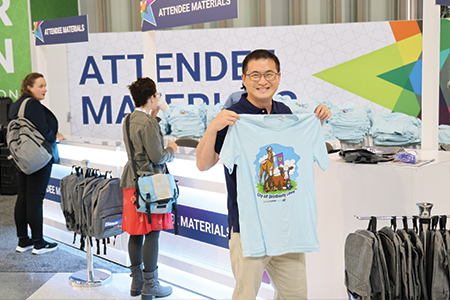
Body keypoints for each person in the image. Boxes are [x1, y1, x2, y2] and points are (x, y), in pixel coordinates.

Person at [196, 49, 331, 299]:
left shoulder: (286, 113)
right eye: (255, 75)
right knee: (246, 295)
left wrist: (316, 122)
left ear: (279, 77)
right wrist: (214, 127)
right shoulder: (234, 118)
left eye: (269, 74)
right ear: (244, 79)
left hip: (287, 227)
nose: (263, 81)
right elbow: (204, 164)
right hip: (248, 228)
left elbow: (299, 150)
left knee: (296, 295)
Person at [120, 77, 178, 300]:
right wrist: (171, 148)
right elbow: (157, 157)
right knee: (153, 233)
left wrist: (155, 121)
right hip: (150, 186)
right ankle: (151, 286)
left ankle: (137, 283)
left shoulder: (129, 119)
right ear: (152, 97)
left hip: (131, 183)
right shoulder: (148, 123)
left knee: (135, 233)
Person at [8, 72, 65, 255]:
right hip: (37, 158)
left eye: (45, 85)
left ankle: (23, 241)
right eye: (40, 86)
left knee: (23, 197)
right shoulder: (32, 104)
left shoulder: (16, 105)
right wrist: (54, 137)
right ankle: (39, 243)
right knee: (35, 199)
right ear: (29, 87)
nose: (45, 89)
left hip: (21, 156)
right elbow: (43, 130)